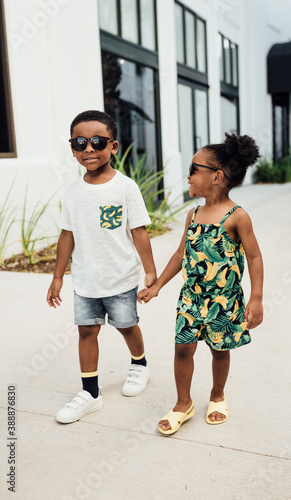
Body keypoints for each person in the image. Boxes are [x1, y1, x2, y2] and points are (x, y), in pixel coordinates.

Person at [138, 133, 263, 435]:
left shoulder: (237, 217)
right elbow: (181, 253)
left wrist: (256, 298)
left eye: (194, 168)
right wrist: (157, 286)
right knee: (183, 349)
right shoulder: (193, 214)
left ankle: (217, 395)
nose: (188, 175)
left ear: (217, 176)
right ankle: (183, 403)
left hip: (224, 300)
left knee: (220, 350)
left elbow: (255, 257)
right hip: (191, 299)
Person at [47, 110, 156, 424]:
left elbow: (139, 231)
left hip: (120, 278)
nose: (89, 149)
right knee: (86, 332)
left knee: (126, 325)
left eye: (97, 141)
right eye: (80, 142)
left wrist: (150, 271)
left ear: (114, 146)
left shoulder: (125, 188)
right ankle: (90, 393)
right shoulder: (72, 192)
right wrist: (57, 276)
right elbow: (67, 235)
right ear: (72, 147)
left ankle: (139, 364)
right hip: (85, 279)